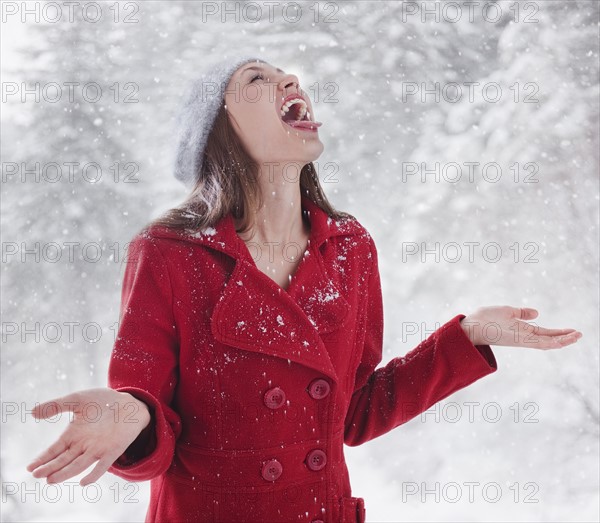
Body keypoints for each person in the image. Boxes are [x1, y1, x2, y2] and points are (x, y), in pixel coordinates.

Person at [26, 56, 583, 523]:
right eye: (256, 79)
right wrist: (132, 417)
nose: (290, 82)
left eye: (289, 75)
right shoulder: (169, 252)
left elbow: (356, 412)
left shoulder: (351, 247)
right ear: (216, 128)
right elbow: (152, 422)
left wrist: (464, 337)